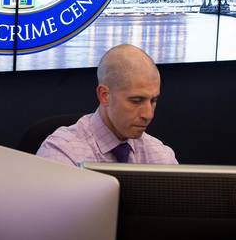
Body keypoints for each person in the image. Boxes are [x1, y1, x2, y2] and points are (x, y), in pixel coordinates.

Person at [37, 44, 178, 166]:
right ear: (104, 95)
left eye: (153, 101)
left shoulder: (161, 156)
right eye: (136, 101)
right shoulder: (62, 153)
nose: (148, 114)